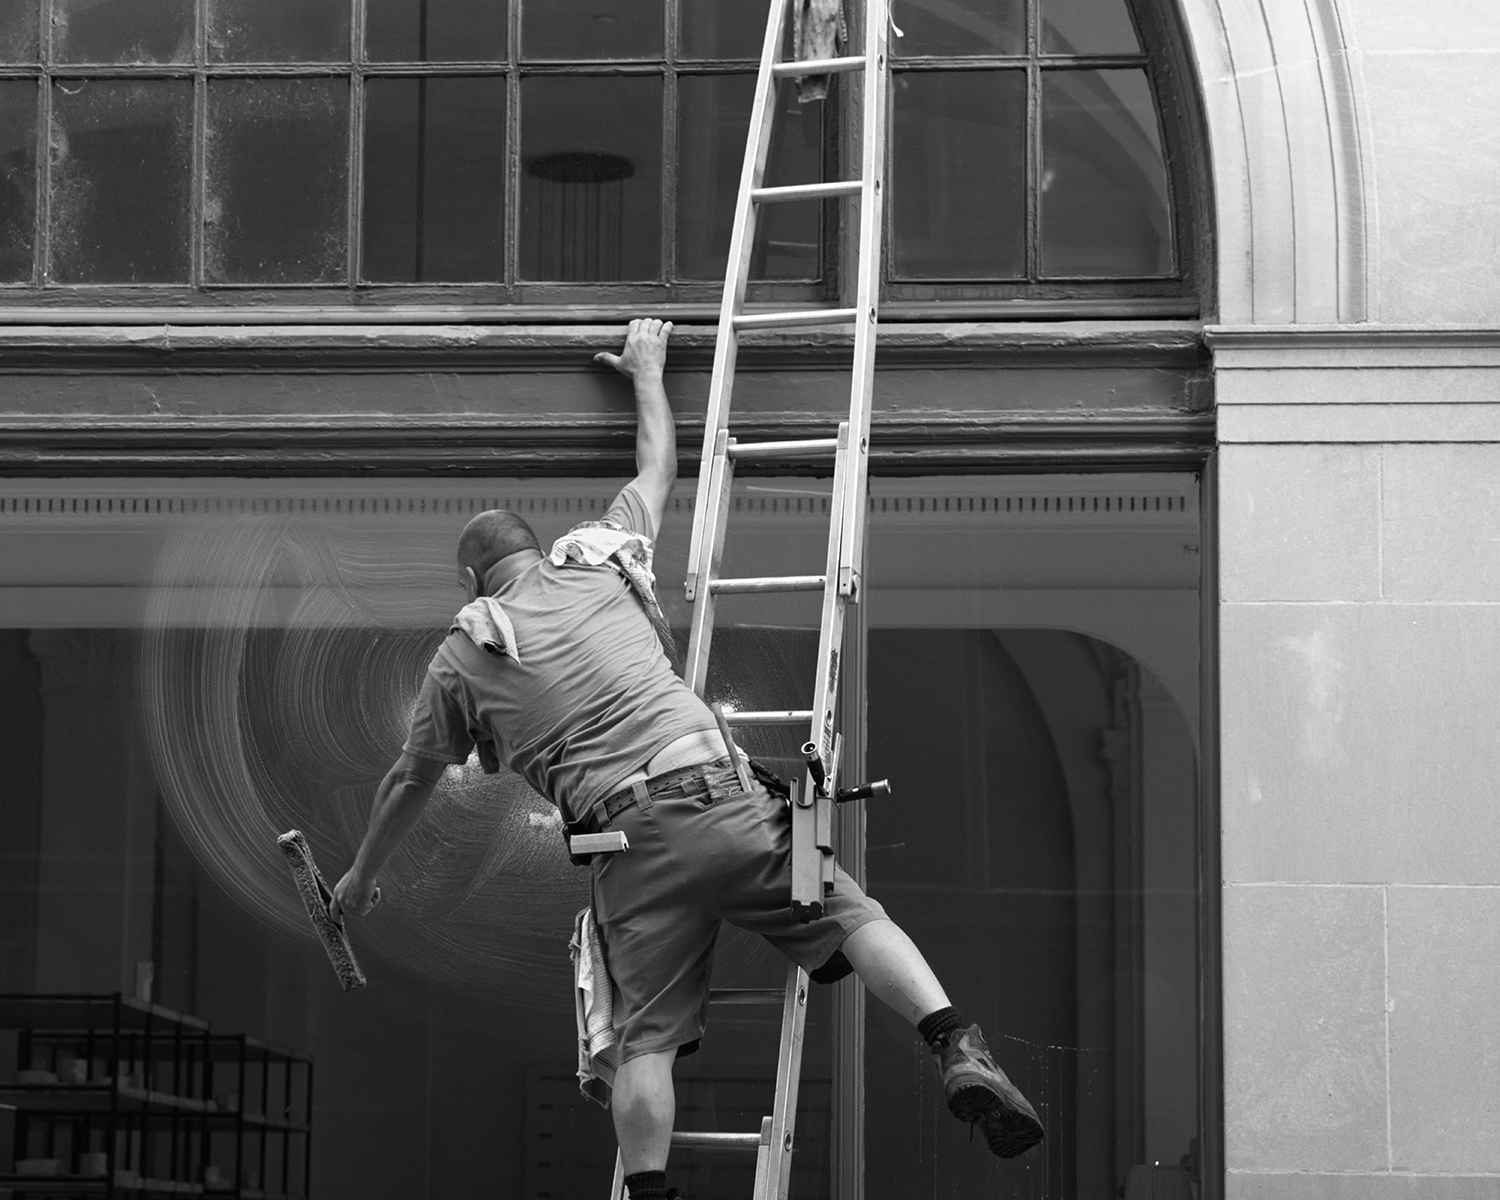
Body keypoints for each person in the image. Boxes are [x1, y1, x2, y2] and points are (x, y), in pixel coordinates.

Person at [331, 318, 1044, 1199]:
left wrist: (361, 877)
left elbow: (410, 781)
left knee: (643, 1042)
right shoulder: (599, 560)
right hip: (723, 794)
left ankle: (653, 1192)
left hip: (629, 847)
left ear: (476, 582)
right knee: (859, 919)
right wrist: (648, 370)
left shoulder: (464, 653)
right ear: (534, 546)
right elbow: (659, 465)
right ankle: (956, 1045)